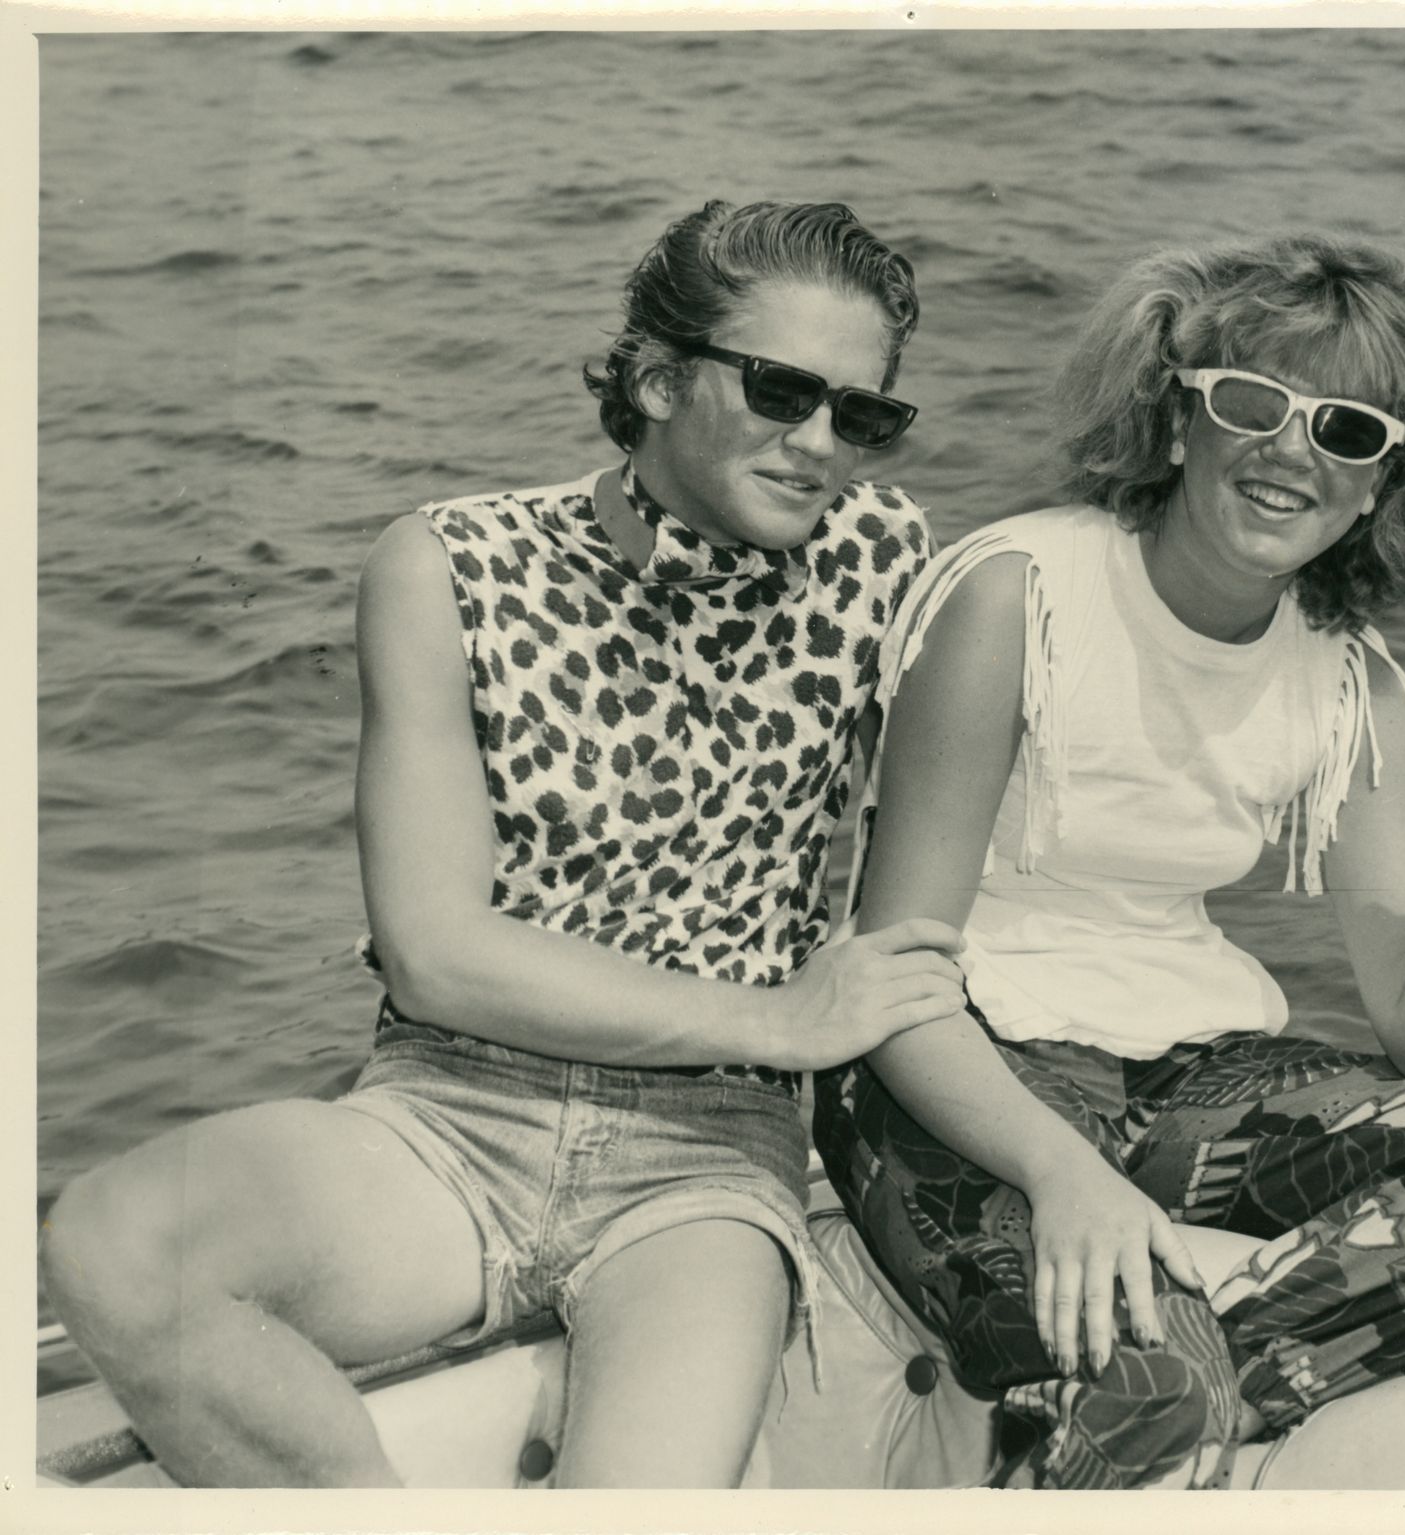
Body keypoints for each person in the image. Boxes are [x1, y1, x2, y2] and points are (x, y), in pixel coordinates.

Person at [41, 199, 966, 1489]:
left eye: (861, 414)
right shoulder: (455, 565)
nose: (820, 444)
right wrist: (783, 1020)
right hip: (450, 1109)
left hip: (704, 1166)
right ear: (653, 376)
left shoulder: (889, 557)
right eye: (780, 389)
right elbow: (436, 955)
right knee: (115, 1240)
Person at [813, 231, 1405, 1490]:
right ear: (1177, 424)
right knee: (1156, 1394)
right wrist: (1063, 1173)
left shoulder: (1350, 680)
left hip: (1190, 1078)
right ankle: (1175, 1385)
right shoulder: (1017, 595)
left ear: (1382, 481)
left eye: (1348, 430)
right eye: (1256, 403)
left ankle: (1199, 1375)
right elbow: (894, 976)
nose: (1292, 451)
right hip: (957, 1067)